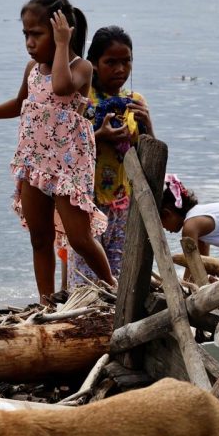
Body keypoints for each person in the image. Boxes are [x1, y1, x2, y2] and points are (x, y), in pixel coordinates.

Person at [0, 0, 115, 303]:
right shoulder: (32, 69)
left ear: (61, 31)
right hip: (34, 164)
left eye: (36, 34)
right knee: (39, 238)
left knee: (80, 238)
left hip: (67, 167)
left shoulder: (81, 67)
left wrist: (61, 45)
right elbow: (20, 104)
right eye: (26, 34)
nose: (29, 41)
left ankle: (112, 283)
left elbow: (61, 87)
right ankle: (46, 300)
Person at [69, 26, 153, 287]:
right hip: (86, 198)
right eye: (111, 62)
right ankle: (83, 314)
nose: (120, 69)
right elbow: (66, 145)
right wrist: (98, 135)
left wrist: (147, 123)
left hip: (122, 199)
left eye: (126, 61)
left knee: (119, 267)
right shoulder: (85, 98)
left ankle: (113, 315)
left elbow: (148, 149)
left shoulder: (134, 101)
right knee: (86, 269)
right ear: (94, 64)